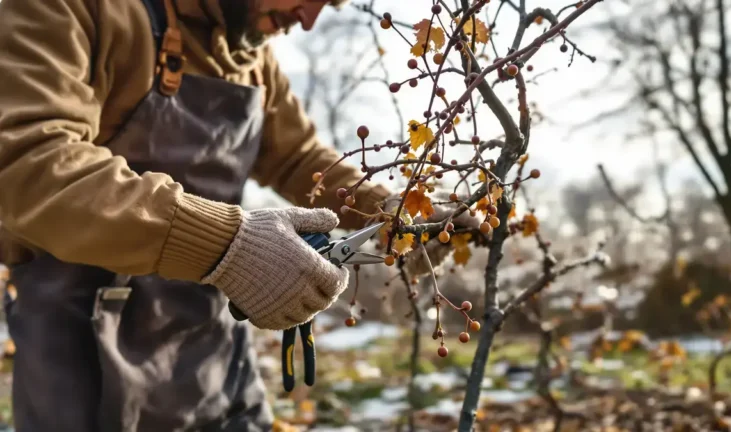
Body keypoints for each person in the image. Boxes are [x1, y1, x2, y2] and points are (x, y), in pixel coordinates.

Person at [0, 0, 477, 430]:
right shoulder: (72, 9)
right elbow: (28, 163)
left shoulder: (250, 56)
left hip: (211, 352)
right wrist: (228, 244)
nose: (308, 19)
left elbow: (299, 158)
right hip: (83, 358)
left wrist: (389, 207)